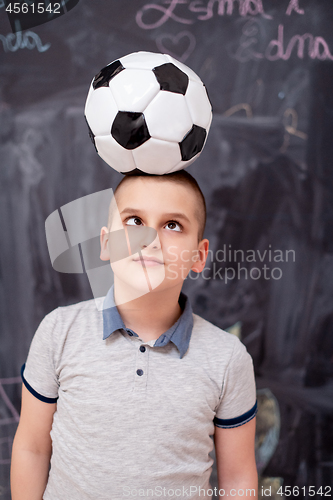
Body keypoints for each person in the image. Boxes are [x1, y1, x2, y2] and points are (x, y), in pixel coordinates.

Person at [11, 170, 258, 500]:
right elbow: (32, 448)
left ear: (199, 256)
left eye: (173, 225)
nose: (150, 239)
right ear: (105, 243)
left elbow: (239, 477)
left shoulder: (228, 359)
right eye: (134, 221)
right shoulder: (59, 332)